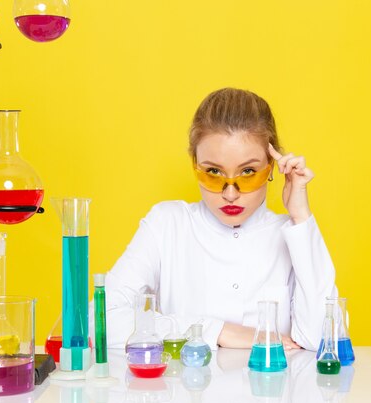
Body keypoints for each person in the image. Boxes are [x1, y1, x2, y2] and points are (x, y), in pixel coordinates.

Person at [99, 87, 337, 351]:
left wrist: (301, 218)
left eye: (248, 172)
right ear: (195, 164)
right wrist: (219, 331)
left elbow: (323, 340)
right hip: (185, 391)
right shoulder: (167, 224)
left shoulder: (291, 235)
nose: (231, 193)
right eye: (213, 172)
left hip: (272, 391)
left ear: (271, 167)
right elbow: (101, 321)